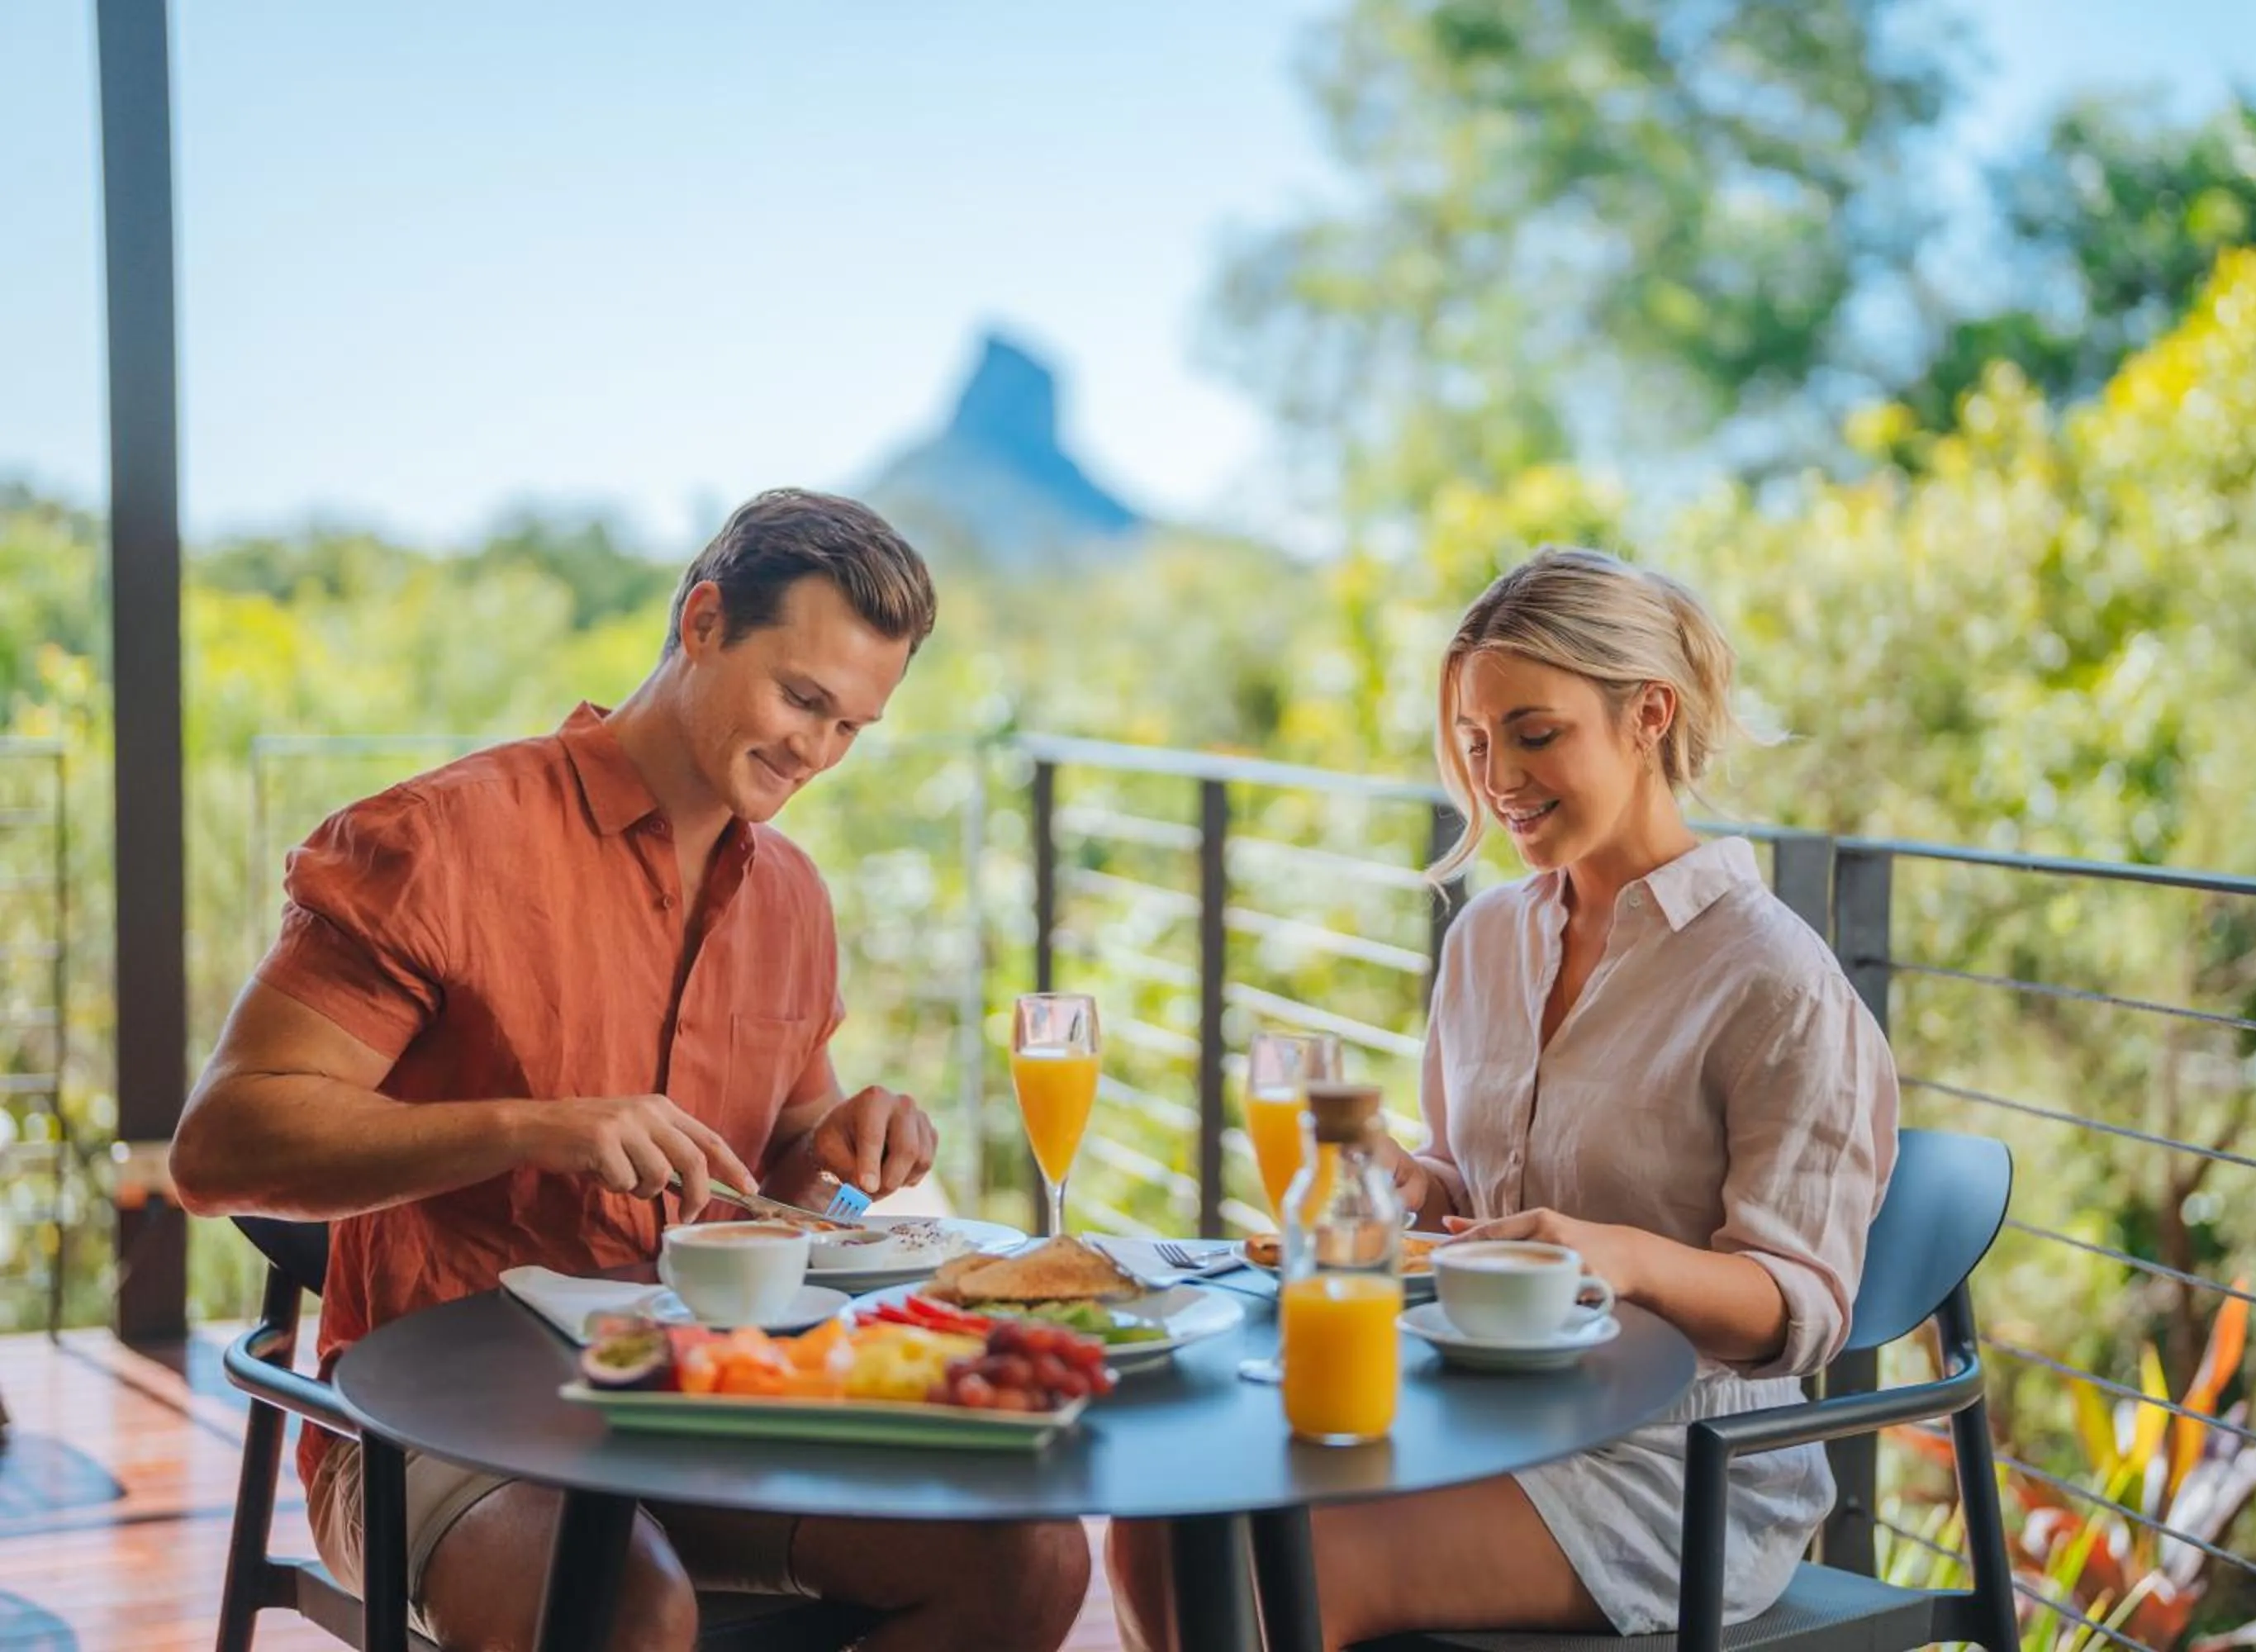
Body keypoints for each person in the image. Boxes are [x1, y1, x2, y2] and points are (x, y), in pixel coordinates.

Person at [171, 489, 1090, 1652]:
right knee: (619, 1608)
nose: (817, 751)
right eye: (801, 698)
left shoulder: (793, 899)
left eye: (852, 726)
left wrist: (843, 1145)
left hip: (707, 1404)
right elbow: (221, 1147)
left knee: (1029, 1557)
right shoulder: (436, 842)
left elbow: (791, 1177)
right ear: (703, 622)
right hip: (444, 1431)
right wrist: (531, 1126)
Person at [1109, 547, 1897, 1648]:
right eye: (1477, 746)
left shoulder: (1774, 979)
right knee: (1155, 1528)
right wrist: (1397, 1183)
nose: (1500, 779)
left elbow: (1799, 1307)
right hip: (1476, 1406)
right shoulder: (1488, 938)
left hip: (1680, 1463)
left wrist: (1615, 1256)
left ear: (1649, 717)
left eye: (1536, 734)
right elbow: (1468, 1194)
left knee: (1266, 1559)